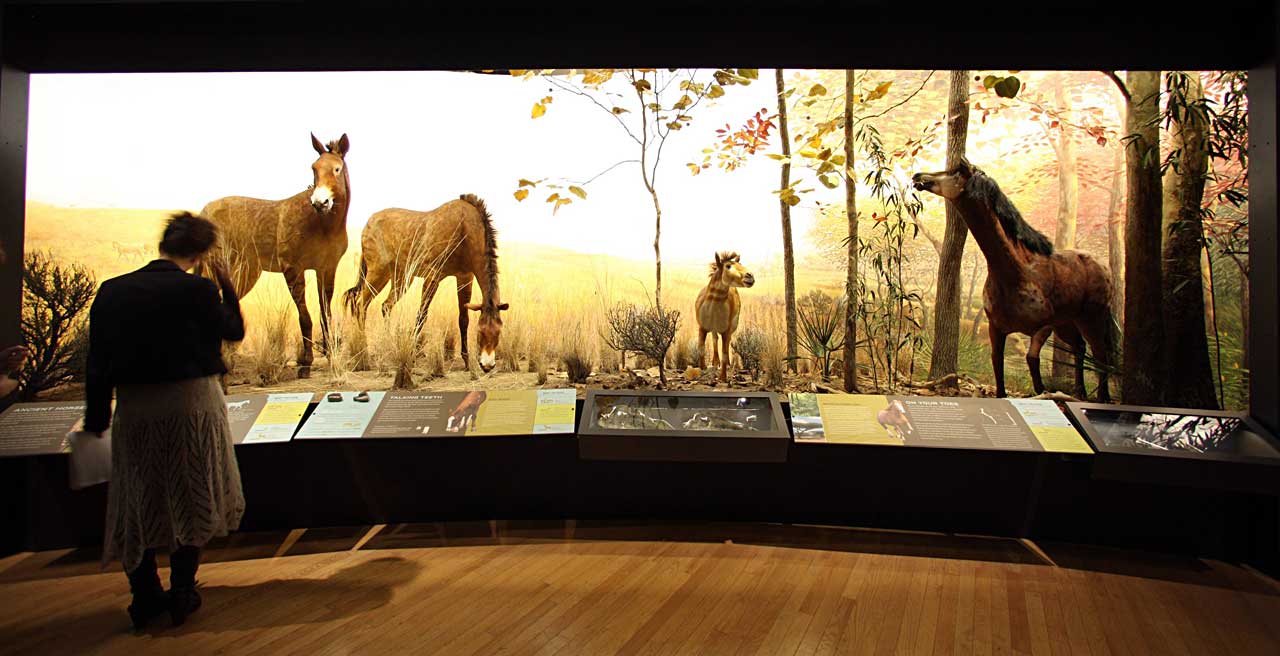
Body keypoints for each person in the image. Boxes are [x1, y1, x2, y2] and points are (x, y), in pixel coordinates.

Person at [84, 211, 246, 630]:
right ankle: (181, 590)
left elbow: (97, 364)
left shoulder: (112, 291)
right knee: (190, 490)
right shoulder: (198, 290)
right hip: (192, 406)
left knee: (137, 496)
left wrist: (97, 418)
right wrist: (224, 283)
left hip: (136, 409)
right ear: (200, 252)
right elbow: (234, 330)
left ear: (164, 244)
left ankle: (143, 596)